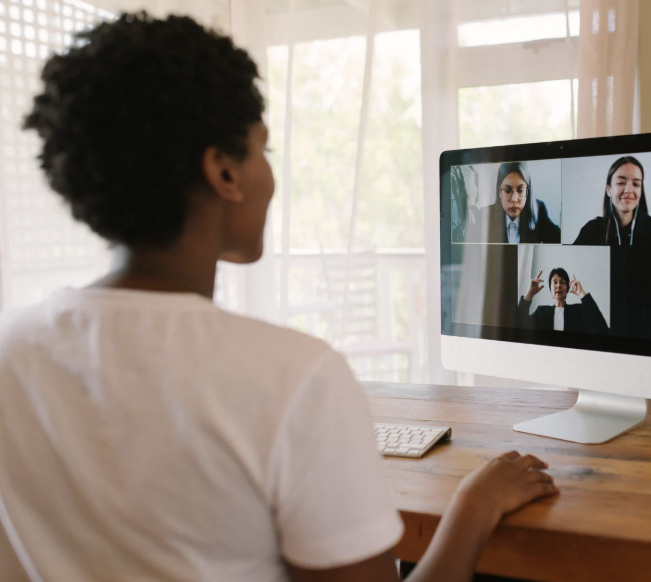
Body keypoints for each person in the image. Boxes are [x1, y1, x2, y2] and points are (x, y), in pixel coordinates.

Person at [0, 13, 558, 582]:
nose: (270, 175)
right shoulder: (296, 377)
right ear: (224, 170)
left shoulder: (10, 350)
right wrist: (474, 506)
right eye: (263, 150)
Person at [572, 156, 651, 247]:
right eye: (621, 182)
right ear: (609, 190)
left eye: (636, 184)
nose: (628, 190)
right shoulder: (591, 230)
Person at [465, 161, 561, 244]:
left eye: (520, 190)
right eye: (507, 190)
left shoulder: (539, 211)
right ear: (500, 192)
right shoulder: (486, 214)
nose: (514, 199)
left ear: (527, 192)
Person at [518, 268, 609, 334]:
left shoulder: (578, 311)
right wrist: (530, 293)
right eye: (555, 282)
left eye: (562, 282)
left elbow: (601, 328)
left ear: (567, 288)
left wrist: (582, 293)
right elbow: (518, 324)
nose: (558, 286)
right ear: (550, 289)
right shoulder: (541, 312)